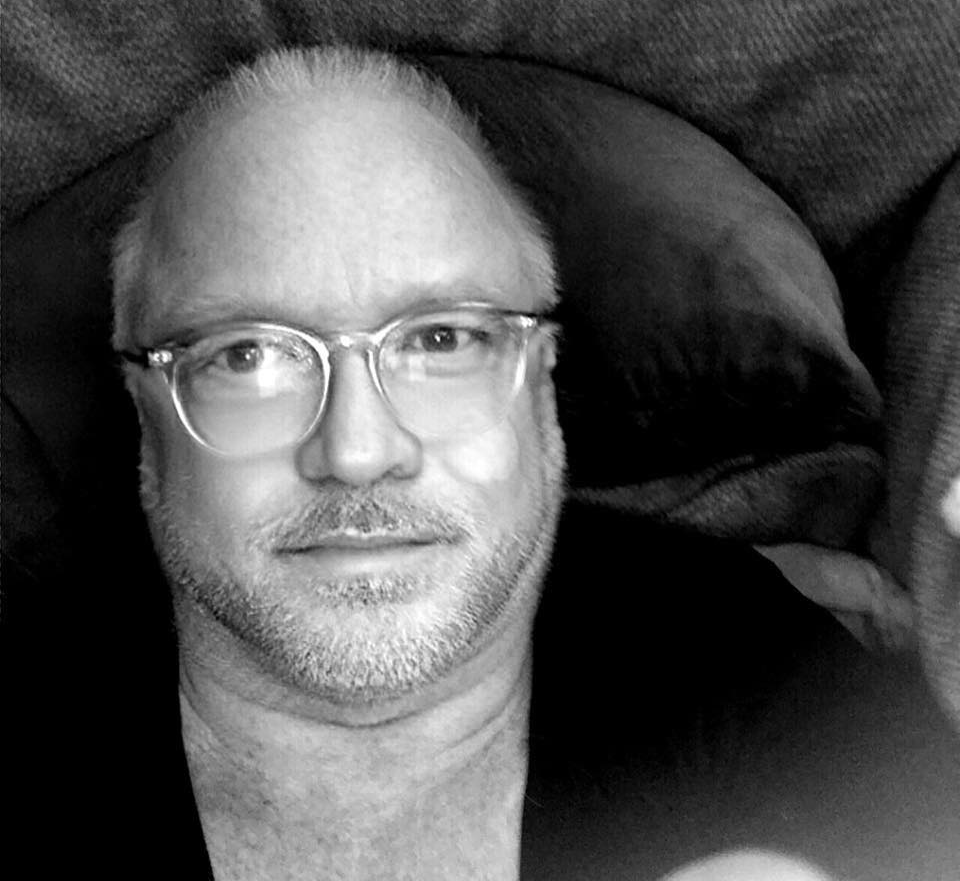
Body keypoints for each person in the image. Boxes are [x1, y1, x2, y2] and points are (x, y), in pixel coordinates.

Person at [98, 45, 957, 881]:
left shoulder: (757, 664)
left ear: (541, 382)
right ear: (146, 412)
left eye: (442, 340)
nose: (357, 452)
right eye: (247, 357)